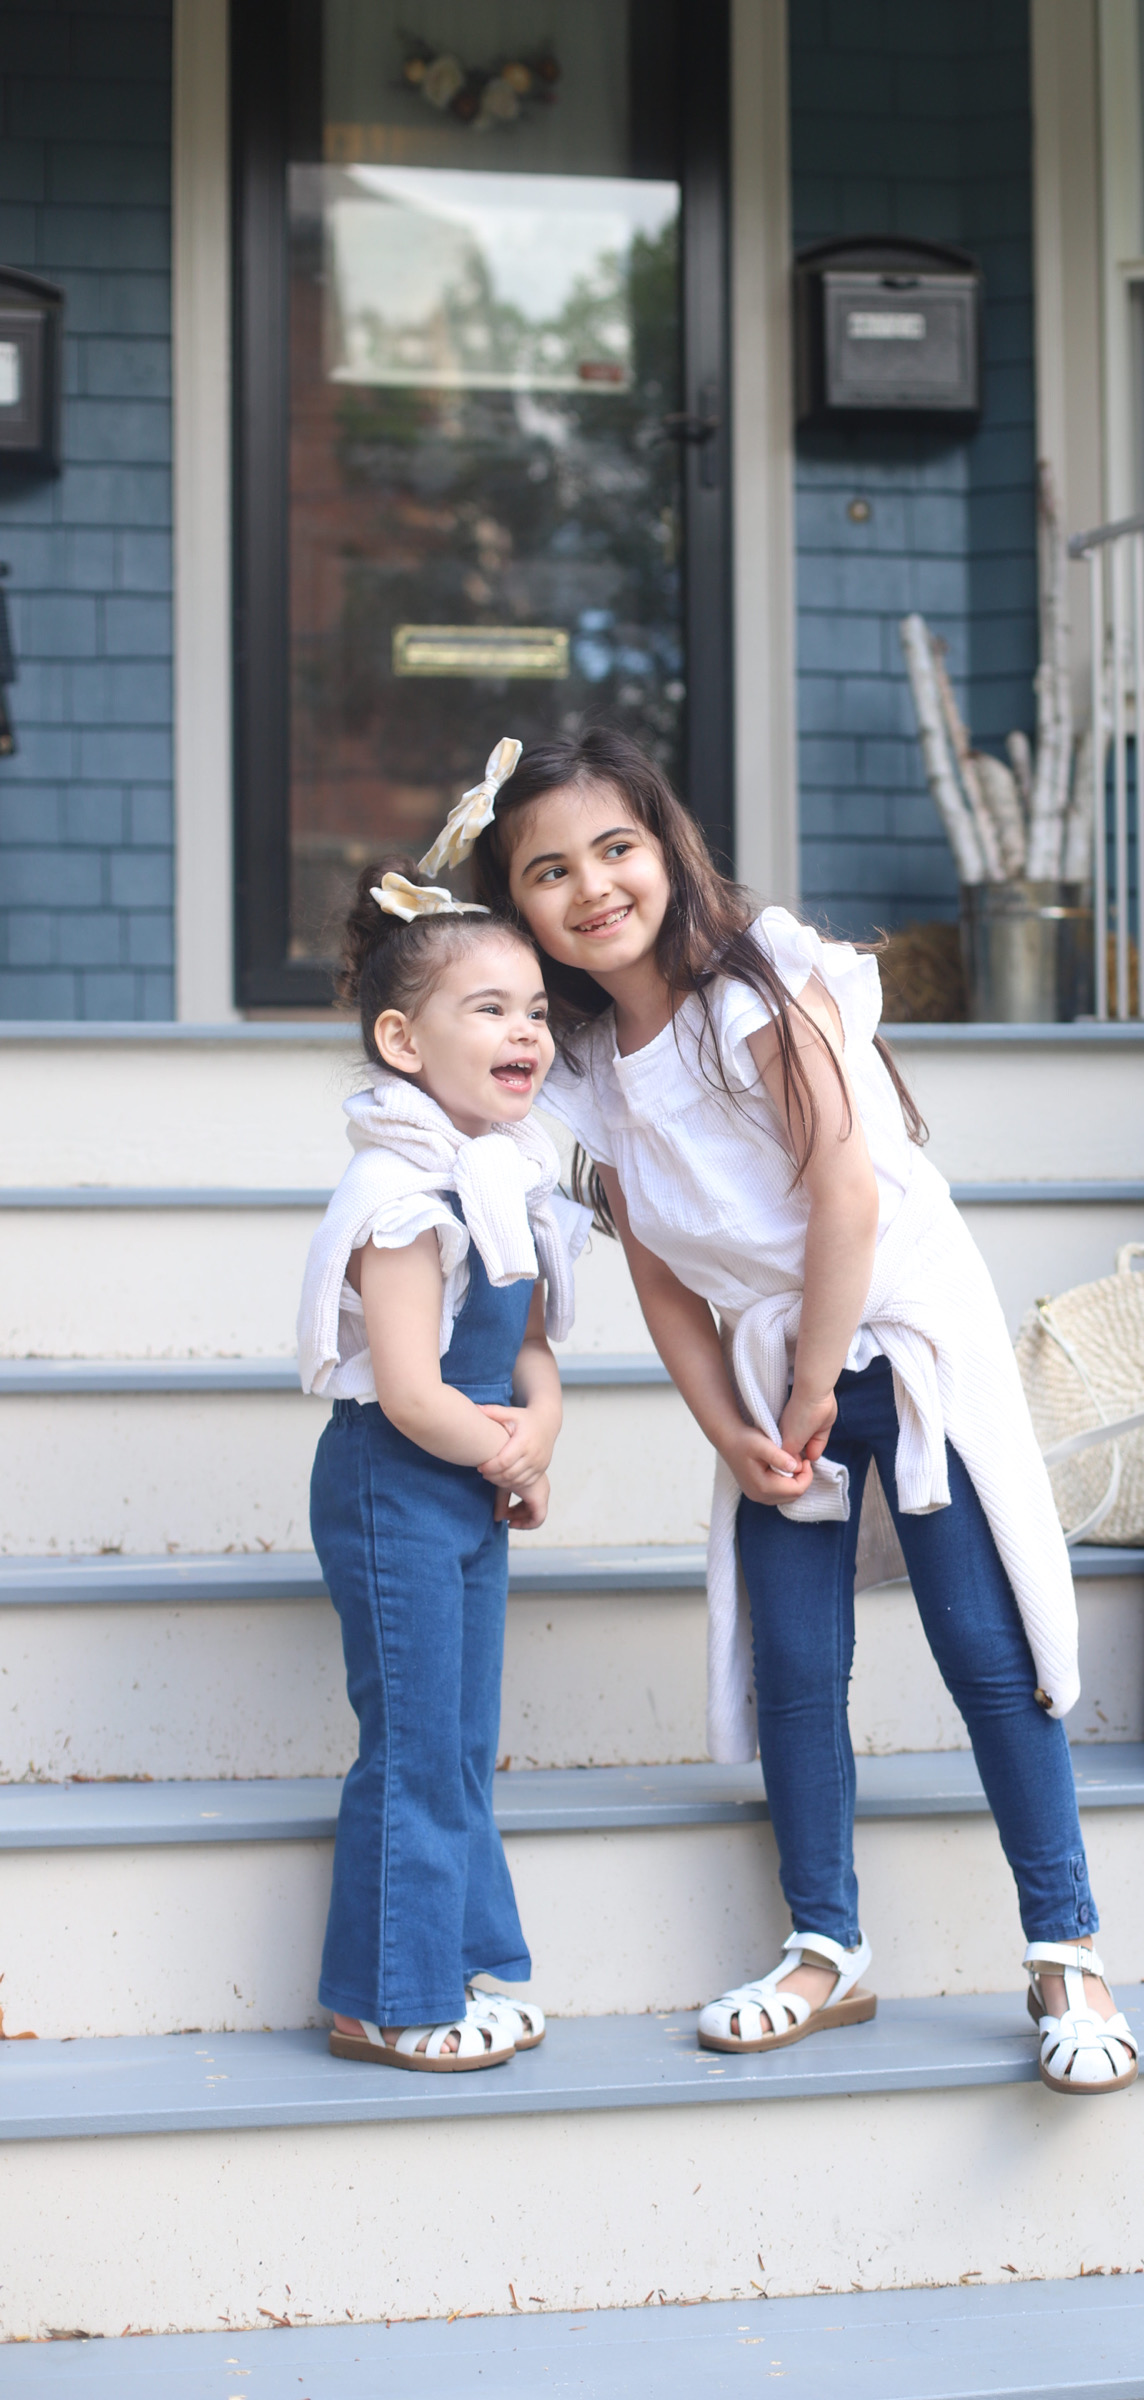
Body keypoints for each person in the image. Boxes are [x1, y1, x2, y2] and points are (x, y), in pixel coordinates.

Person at [460, 725, 1137, 2098]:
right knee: (794, 1662)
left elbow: (844, 1189)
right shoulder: (582, 1061)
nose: (592, 887)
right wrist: (732, 1425)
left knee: (981, 1641)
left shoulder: (755, 984)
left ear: (666, 847)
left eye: (616, 848)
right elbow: (657, 1264)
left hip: (890, 1335)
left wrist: (819, 1384)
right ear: (516, 906)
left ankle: (1067, 1947)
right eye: (548, 872)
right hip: (780, 1369)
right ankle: (828, 1943)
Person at [297, 770, 587, 2071]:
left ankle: (471, 1957)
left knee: (464, 1739)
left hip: (466, 1478)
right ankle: (387, 1995)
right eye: (490, 1009)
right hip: (393, 1480)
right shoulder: (399, 1191)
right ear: (405, 1043)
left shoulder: (502, 1177)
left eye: (535, 1009)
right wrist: (500, 1447)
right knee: (414, 1743)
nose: (527, 1030)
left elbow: (525, 1349)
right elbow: (413, 1389)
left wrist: (538, 1427)